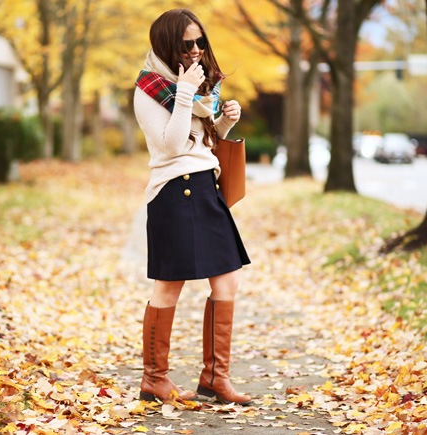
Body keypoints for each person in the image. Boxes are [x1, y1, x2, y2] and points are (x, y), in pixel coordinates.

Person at [133, 8, 252, 405]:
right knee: (169, 287)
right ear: (169, 44)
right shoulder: (150, 88)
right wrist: (184, 93)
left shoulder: (200, 90)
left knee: (227, 281)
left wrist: (224, 124)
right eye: (188, 43)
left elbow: (200, 144)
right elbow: (170, 145)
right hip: (173, 192)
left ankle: (215, 378)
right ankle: (155, 379)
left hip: (206, 187)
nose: (198, 49)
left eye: (201, 41)